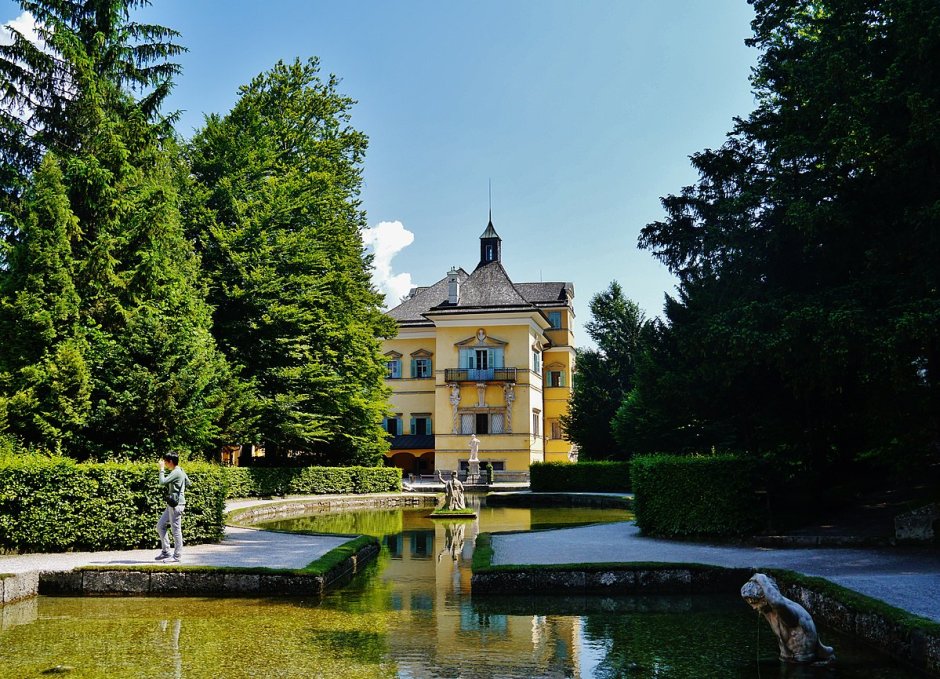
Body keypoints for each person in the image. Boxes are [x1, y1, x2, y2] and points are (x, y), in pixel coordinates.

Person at [156, 453, 190, 563]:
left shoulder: (176, 472)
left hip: (176, 505)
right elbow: (188, 482)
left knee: (176, 531)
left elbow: (162, 482)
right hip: (173, 504)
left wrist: (161, 469)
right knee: (160, 525)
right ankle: (166, 551)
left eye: (165, 462)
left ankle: (177, 556)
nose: (164, 464)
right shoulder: (180, 470)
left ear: (170, 461)